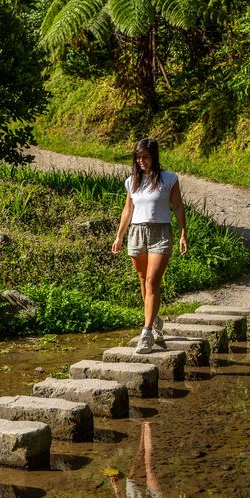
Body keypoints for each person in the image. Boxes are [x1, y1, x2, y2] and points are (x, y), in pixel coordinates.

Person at [112, 137, 187, 353]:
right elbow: (128, 210)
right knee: (143, 281)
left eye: (145, 157)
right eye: (138, 157)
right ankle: (154, 321)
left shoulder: (169, 178)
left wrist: (183, 233)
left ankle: (146, 334)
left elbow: (178, 206)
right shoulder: (131, 181)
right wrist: (119, 236)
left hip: (160, 232)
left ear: (154, 156)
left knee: (153, 281)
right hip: (137, 232)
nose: (141, 161)